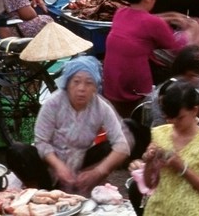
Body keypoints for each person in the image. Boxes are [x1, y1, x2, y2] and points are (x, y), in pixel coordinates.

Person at [9, 55, 130, 192]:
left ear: (95, 87)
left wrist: (98, 171)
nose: (81, 88)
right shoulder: (53, 103)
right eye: (76, 82)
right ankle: (38, 189)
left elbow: (122, 146)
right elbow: (41, 142)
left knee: (108, 147)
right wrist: (59, 167)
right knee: (18, 151)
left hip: (80, 160)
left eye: (88, 83)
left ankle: (88, 182)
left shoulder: (101, 107)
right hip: (48, 163)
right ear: (67, 84)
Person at [102, 0, 199, 118]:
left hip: (111, 88)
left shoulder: (120, 13)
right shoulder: (153, 23)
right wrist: (195, 29)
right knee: (190, 75)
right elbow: (179, 49)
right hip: (134, 95)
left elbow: (141, 20)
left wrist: (171, 16)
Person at [140, 80, 199, 216]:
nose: (173, 122)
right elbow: (150, 184)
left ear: (195, 110)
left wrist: (183, 168)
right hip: (158, 210)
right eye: (170, 118)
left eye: (179, 118)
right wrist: (149, 161)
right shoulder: (159, 133)